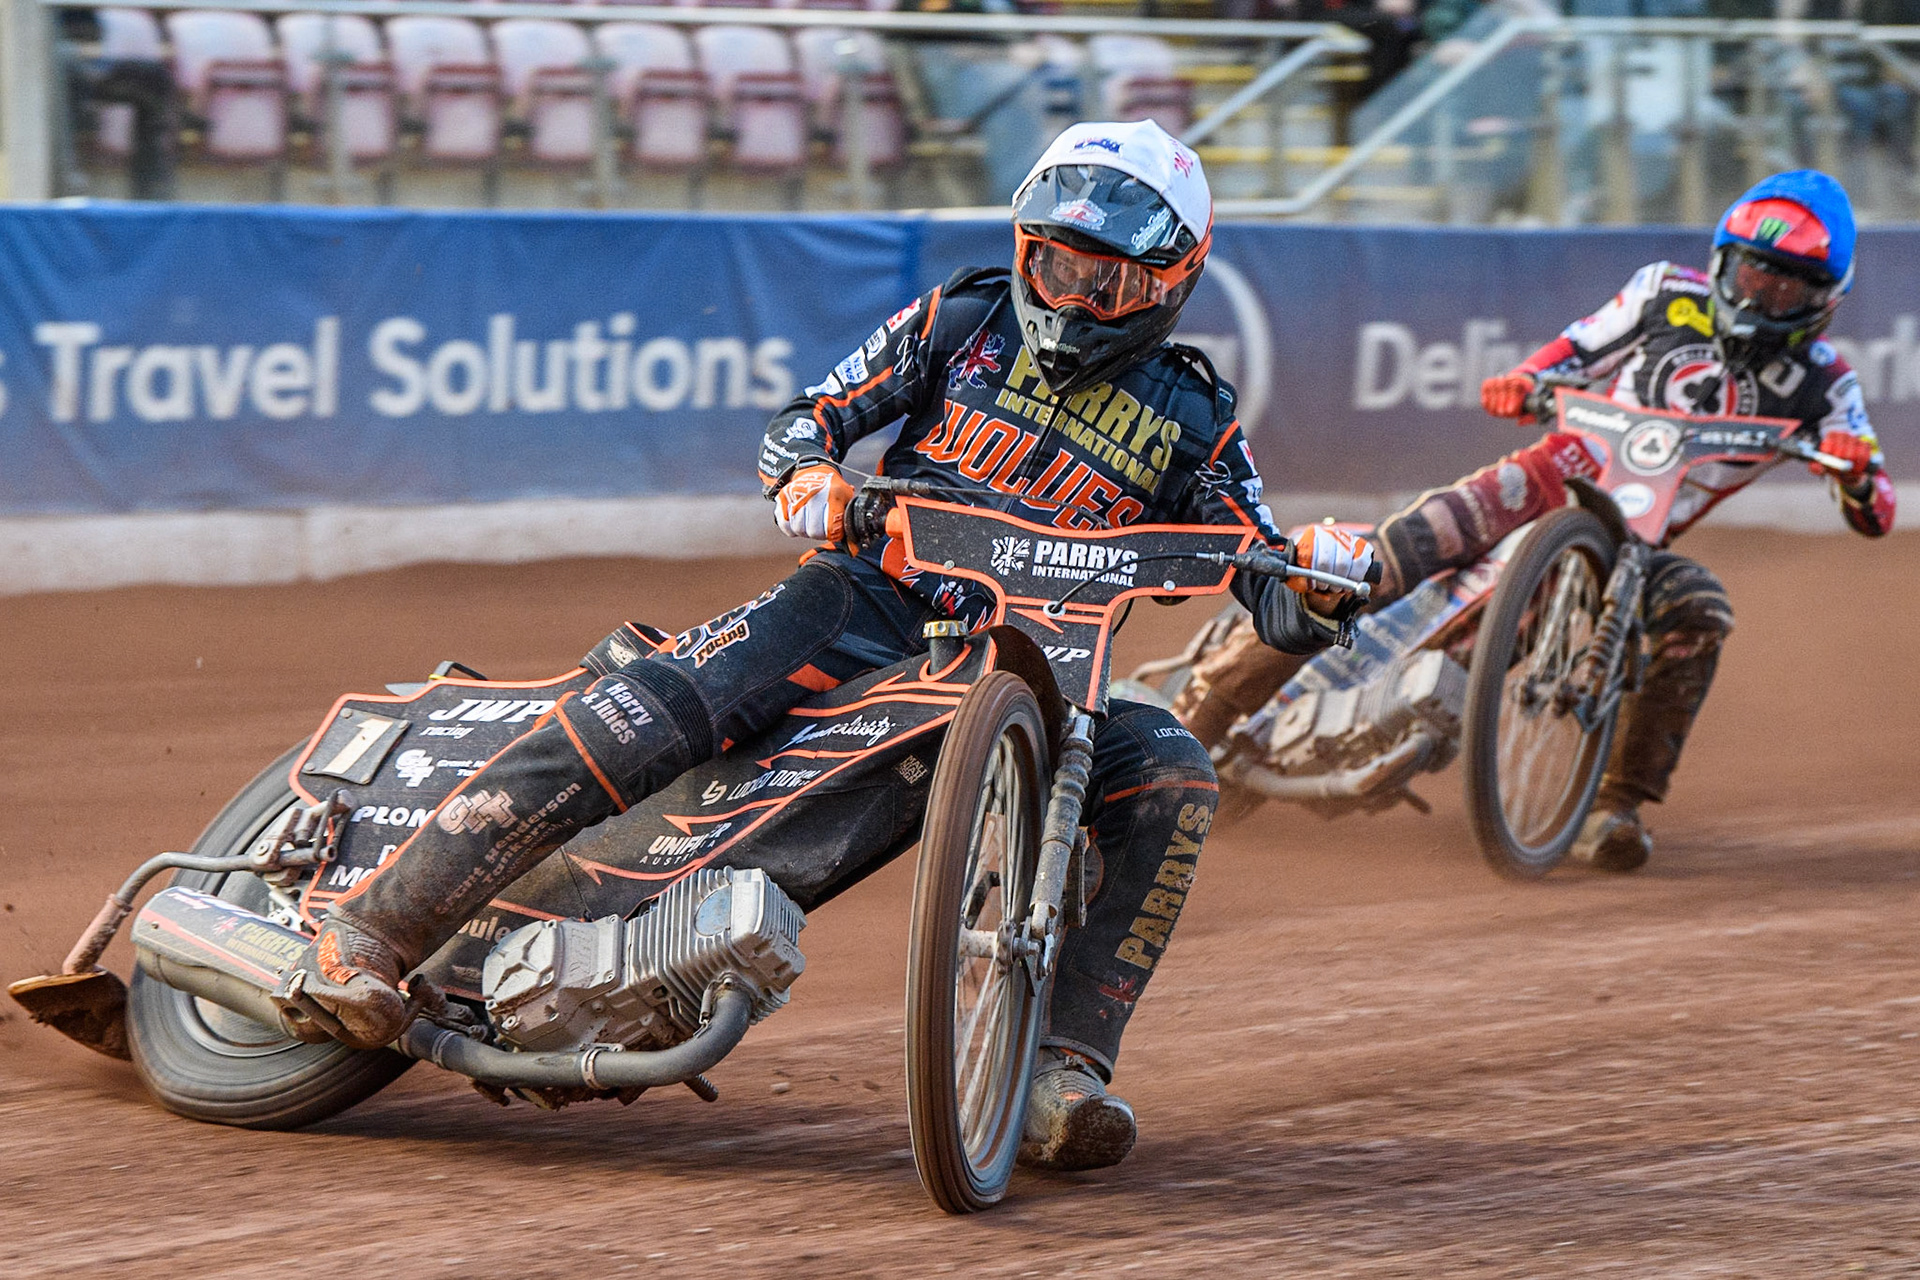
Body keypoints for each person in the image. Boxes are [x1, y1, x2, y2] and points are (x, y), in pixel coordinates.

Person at [284, 120, 1375, 1173]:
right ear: (1022, 250)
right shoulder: (964, 320)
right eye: (1053, 265)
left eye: (1106, 281)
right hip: (868, 597)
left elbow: (1268, 578)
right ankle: (372, 926)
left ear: (1170, 281)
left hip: (1050, 670)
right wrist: (812, 477)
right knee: (669, 698)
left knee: (1176, 768)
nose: (1070, 298)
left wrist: (1327, 577)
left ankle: (1060, 1075)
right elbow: (808, 416)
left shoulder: (1195, 415)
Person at [1173, 170, 1894, 872]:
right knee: (1381, 559)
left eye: (1785, 283)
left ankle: (1618, 806)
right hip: (1549, 474)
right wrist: (1528, 379)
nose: (1761, 292)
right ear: (1721, 262)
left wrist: (1855, 468)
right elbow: (1576, 347)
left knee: (1698, 611)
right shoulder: (1666, 292)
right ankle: (1196, 727)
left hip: (1636, 546)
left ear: (1823, 299)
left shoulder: (1825, 383)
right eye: (1750, 271)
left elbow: (1876, 506)